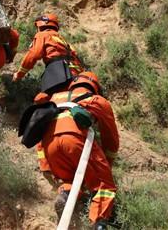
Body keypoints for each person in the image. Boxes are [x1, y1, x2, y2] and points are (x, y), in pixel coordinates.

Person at [38, 72, 119, 230]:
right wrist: (106, 165)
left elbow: (41, 131)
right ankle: (99, 224)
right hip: (74, 138)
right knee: (105, 187)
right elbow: (111, 139)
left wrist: (45, 165)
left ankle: (65, 195)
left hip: (49, 144)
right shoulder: (96, 100)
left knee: (69, 179)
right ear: (95, 87)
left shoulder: (54, 98)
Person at [12, 13, 85, 92]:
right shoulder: (62, 40)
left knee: (43, 99)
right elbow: (75, 55)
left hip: (59, 76)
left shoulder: (42, 35)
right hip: (77, 75)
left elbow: (33, 55)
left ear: (39, 26)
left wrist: (19, 74)